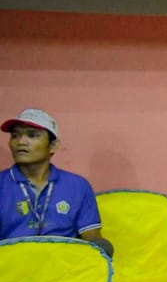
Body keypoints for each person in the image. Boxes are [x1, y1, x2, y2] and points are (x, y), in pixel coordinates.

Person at [2, 109, 112, 257]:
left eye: (32, 135)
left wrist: (100, 248)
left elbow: (92, 238)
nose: (21, 141)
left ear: (53, 145)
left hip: (64, 271)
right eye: (15, 135)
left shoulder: (78, 186)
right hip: (11, 271)